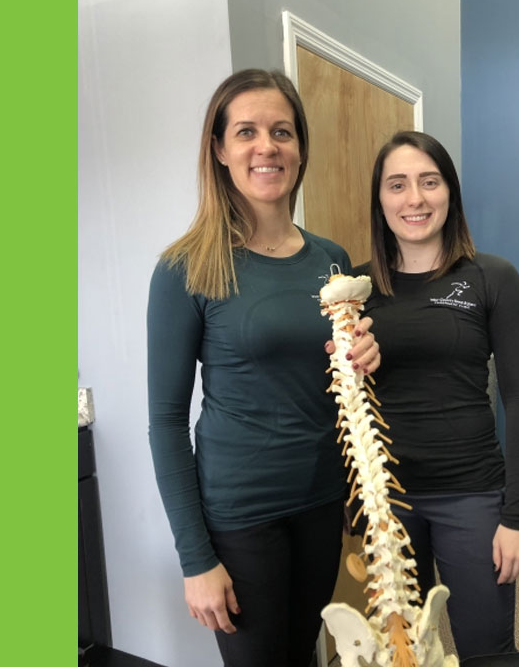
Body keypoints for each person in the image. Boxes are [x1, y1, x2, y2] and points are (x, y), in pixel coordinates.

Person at [146, 69, 380, 667]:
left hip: (322, 501)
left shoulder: (331, 260)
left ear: (300, 149)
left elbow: (341, 381)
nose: (265, 146)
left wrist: (367, 359)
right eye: (245, 132)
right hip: (241, 516)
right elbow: (167, 422)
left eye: (281, 131)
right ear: (221, 150)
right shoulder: (186, 267)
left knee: (303, 653)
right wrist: (195, 558)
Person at [355, 131, 519, 659]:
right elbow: (344, 403)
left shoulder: (492, 278)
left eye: (428, 182)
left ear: (449, 194)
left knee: (486, 648)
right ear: (381, 201)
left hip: (472, 497)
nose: (414, 198)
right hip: (387, 504)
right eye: (398, 185)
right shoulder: (357, 288)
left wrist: (518, 517)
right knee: (404, 650)